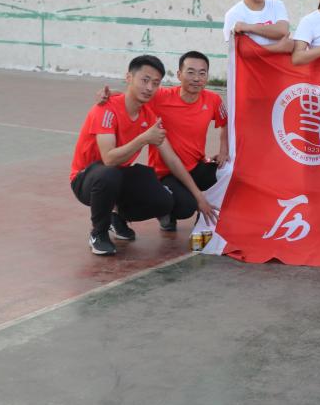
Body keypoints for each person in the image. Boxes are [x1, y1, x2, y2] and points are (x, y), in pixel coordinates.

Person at [70, 55, 217, 256]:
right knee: (109, 173)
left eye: (155, 83)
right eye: (145, 80)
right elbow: (109, 159)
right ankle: (99, 233)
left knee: (165, 201)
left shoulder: (148, 114)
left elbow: (172, 159)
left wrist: (199, 196)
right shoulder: (106, 109)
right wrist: (143, 138)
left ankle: (117, 216)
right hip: (87, 178)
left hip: (119, 175)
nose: (149, 88)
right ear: (129, 77)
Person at [98, 51, 229, 232]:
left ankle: (208, 219)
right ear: (179, 75)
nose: (196, 78)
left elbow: (225, 123)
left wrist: (223, 151)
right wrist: (109, 95)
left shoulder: (213, 99)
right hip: (166, 172)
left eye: (202, 73)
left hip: (195, 166)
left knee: (227, 171)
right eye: (190, 72)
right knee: (186, 207)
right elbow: (134, 96)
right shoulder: (161, 97)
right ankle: (125, 214)